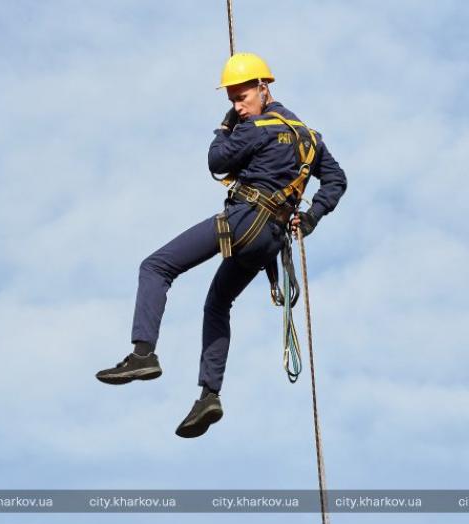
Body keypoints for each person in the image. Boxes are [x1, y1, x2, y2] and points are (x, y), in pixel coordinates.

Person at [95, 52, 347, 438]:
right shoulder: (309, 137)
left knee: (156, 267)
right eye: (231, 101)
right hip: (269, 242)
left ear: (264, 89)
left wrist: (224, 126)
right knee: (217, 303)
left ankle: (143, 354)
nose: (237, 106)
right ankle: (209, 395)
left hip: (244, 222)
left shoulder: (255, 127)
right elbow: (336, 180)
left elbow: (216, 160)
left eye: (241, 97)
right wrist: (311, 216)